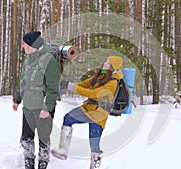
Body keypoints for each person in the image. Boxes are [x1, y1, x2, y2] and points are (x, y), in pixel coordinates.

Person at [51, 56, 124, 169]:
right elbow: (85, 84)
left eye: (108, 63)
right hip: (88, 108)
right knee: (69, 120)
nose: (104, 63)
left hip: (99, 114)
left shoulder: (113, 82)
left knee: (92, 142)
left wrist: (73, 88)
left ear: (112, 67)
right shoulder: (102, 74)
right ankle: (63, 150)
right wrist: (68, 85)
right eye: (106, 61)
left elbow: (94, 94)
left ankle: (90, 165)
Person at [12, 31, 61, 169]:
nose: (23, 47)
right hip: (28, 106)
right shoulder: (28, 59)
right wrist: (17, 99)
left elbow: (53, 89)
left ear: (33, 45)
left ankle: (43, 165)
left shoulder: (49, 60)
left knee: (43, 140)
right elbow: (23, 81)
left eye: (25, 44)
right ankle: (29, 164)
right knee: (26, 138)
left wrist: (47, 109)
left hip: (42, 109)